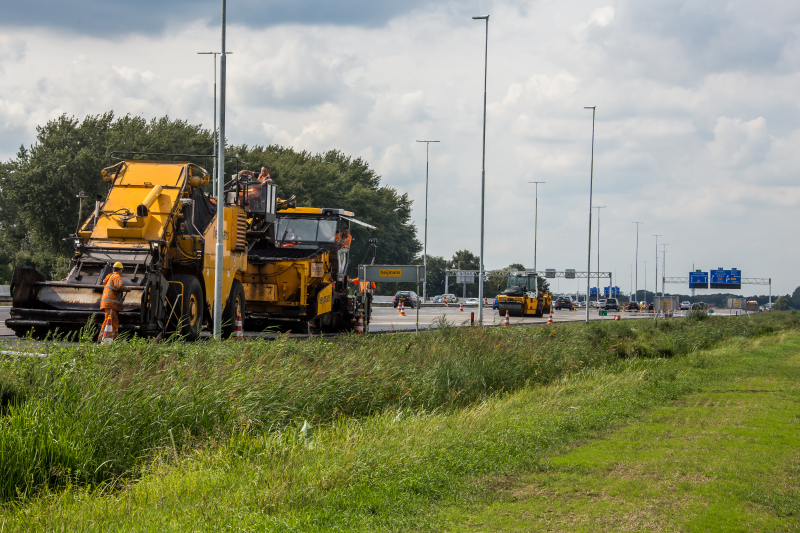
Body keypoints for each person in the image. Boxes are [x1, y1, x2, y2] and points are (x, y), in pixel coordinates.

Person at [98, 262, 132, 341]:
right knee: (108, 319)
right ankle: (100, 337)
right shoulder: (117, 276)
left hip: (109, 303)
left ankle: (115, 338)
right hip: (110, 304)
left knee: (115, 320)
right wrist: (127, 289)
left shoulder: (110, 276)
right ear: (120, 270)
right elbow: (119, 286)